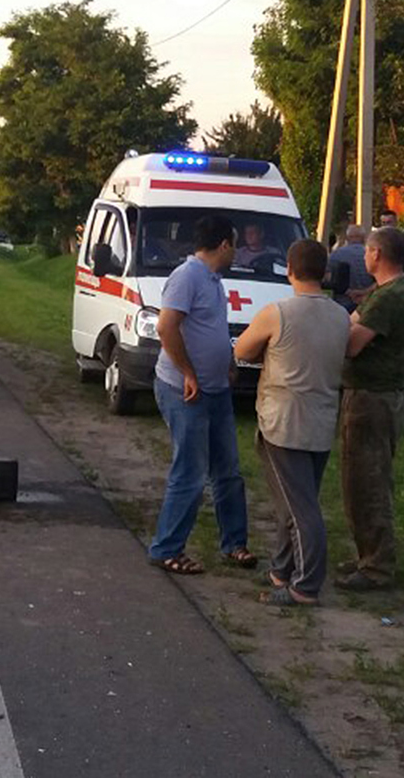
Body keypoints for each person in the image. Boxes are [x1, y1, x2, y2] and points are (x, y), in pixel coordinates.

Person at [233, 239, 349, 606]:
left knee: (301, 510)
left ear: (289, 269)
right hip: (322, 418)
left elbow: (242, 350)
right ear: (325, 272)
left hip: (283, 422)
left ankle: (305, 585)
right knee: (296, 500)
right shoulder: (341, 316)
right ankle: (281, 569)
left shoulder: (277, 312)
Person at [145, 214, 255, 575]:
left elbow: (210, 328)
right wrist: (189, 372)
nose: (236, 252)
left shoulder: (214, 280)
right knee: (190, 472)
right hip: (185, 391)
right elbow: (166, 327)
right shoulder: (187, 276)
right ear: (224, 244)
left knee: (228, 471)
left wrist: (226, 361)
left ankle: (234, 543)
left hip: (217, 389)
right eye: (234, 244)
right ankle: (167, 548)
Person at [337, 226, 404, 591]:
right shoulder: (386, 290)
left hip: (373, 399)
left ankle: (377, 566)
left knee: (369, 482)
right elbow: (353, 321)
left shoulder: (389, 296)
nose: (365, 256)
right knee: (356, 480)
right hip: (369, 395)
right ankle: (366, 554)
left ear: (377, 254)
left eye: (367, 251)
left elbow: (351, 342)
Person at [329, 225, 374, 312]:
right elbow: (380, 282)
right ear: (364, 238)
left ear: (347, 238)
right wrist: (363, 292)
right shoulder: (372, 255)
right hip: (367, 304)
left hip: (342, 304)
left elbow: (329, 278)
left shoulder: (336, 254)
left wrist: (348, 292)